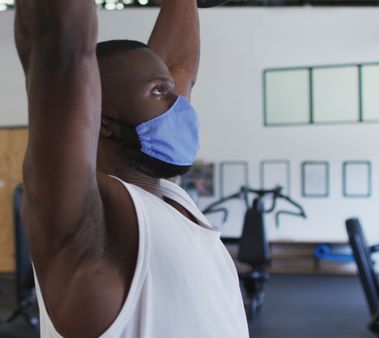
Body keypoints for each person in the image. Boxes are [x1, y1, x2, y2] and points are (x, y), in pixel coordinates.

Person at [15, 0, 249, 337]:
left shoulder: (165, 196)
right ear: (101, 121)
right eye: (159, 91)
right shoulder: (90, 225)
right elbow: (59, 49)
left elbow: (179, 66)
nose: (179, 105)